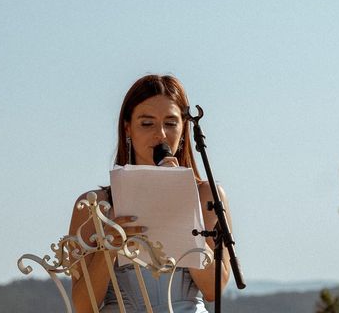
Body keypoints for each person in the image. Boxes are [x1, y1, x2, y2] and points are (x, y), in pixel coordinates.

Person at [68, 75, 233, 313]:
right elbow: (84, 306)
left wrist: (183, 202)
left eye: (170, 123)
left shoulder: (207, 195)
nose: (161, 135)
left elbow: (213, 290)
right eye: (147, 124)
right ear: (128, 128)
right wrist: (109, 247)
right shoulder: (94, 205)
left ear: (184, 128)